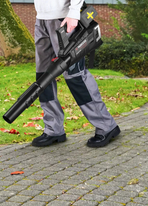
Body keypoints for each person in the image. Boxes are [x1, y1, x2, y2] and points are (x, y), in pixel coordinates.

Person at [32, 0, 121, 148]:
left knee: (75, 76)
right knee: (43, 76)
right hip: (41, 19)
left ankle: (106, 125)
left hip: (64, 19)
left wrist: (74, 12)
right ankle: (54, 129)